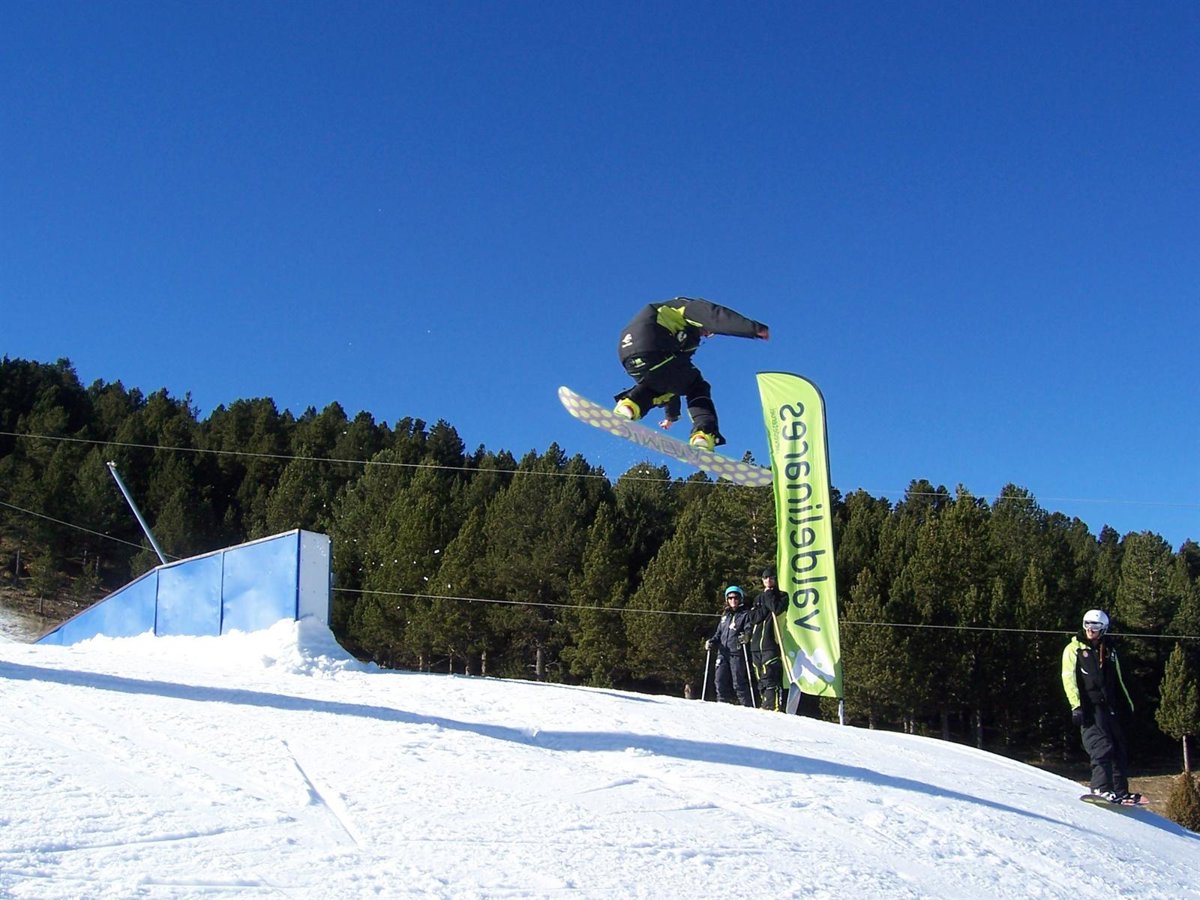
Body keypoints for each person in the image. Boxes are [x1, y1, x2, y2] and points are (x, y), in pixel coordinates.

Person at [613, 297, 769, 451]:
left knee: (660, 384)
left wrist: (671, 416)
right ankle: (704, 433)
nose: (707, 334)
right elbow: (715, 316)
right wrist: (753, 329)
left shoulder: (663, 316)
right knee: (697, 386)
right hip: (654, 346)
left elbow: (672, 382)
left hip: (629, 357)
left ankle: (630, 405)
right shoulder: (686, 307)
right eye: (709, 331)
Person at [1061, 609, 1140, 804]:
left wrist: (1127, 705)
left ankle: (1119, 790)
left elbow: (1118, 680)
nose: (1090, 629)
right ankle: (1100, 787)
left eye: (1095, 626)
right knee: (1100, 745)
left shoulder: (1109, 650)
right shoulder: (1074, 649)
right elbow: (1068, 678)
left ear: (1103, 628)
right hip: (1089, 706)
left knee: (1118, 745)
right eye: (1087, 624)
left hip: (1108, 706)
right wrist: (1076, 705)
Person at [704, 585, 755, 706]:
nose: (733, 600)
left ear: (740, 599)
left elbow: (749, 629)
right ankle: (722, 705)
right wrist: (711, 641)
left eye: (736, 598)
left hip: (736, 653)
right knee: (719, 680)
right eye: (730, 598)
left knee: (738, 683)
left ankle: (747, 707)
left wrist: (746, 637)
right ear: (727, 599)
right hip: (723, 653)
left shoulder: (745, 614)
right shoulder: (725, 616)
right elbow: (718, 634)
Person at [748, 565, 789, 711]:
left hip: (771, 643)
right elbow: (754, 618)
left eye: (771, 578)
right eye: (765, 578)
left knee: (770, 675)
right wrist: (765, 605)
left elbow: (776, 608)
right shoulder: (758, 598)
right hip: (756, 645)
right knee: (760, 678)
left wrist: (769, 595)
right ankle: (765, 704)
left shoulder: (782, 596)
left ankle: (774, 706)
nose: (768, 580)